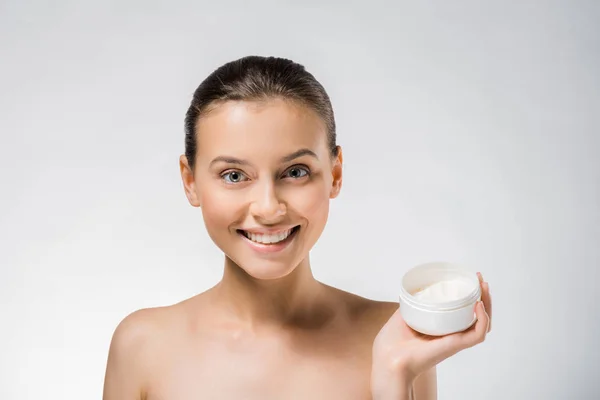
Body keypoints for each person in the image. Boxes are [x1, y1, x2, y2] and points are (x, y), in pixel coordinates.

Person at [102, 56, 492, 400]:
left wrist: (393, 380)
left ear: (335, 174)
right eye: (234, 175)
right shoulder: (142, 347)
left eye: (295, 172)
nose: (269, 208)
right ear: (190, 181)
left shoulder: (395, 340)